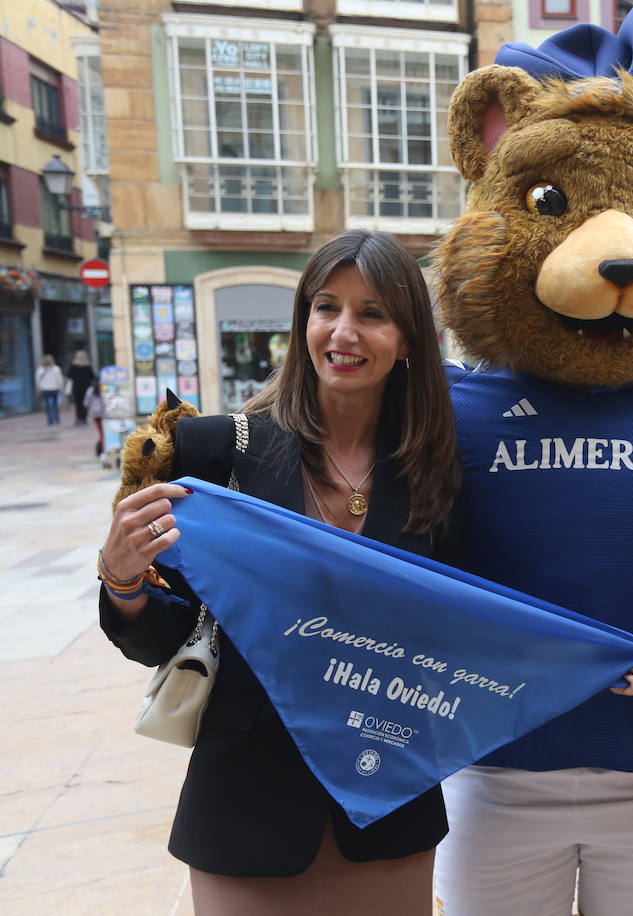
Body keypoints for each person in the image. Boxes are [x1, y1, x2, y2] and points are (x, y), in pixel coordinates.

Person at [96, 230, 462, 914]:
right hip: (244, 803)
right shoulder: (215, 453)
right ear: (303, 322)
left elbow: (474, 622)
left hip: (386, 799)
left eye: (373, 313)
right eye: (327, 308)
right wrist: (122, 583)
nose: (343, 331)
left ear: (408, 338)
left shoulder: (438, 471)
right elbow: (170, 639)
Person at [67, 349, 96, 424]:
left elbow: (69, 375)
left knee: (78, 403)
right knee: (85, 403)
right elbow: (93, 376)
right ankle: (84, 418)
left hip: (76, 387)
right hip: (86, 387)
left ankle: (78, 419)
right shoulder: (88, 366)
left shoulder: (73, 366)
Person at [36, 355, 64, 425]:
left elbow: (37, 380)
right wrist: (60, 387)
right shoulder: (56, 369)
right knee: (55, 404)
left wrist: (40, 388)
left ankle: (50, 420)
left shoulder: (40, 369)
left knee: (47, 405)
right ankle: (57, 418)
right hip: (54, 389)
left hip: (45, 389)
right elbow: (60, 379)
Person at [85, 381, 106, 457]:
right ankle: (103, 448)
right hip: (102, 413)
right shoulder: (102, 389)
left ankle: (103, 449)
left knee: (100, 432)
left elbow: (86, 403)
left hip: (94, 414)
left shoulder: (89, 390)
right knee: (103, 432)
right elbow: (105, 402)